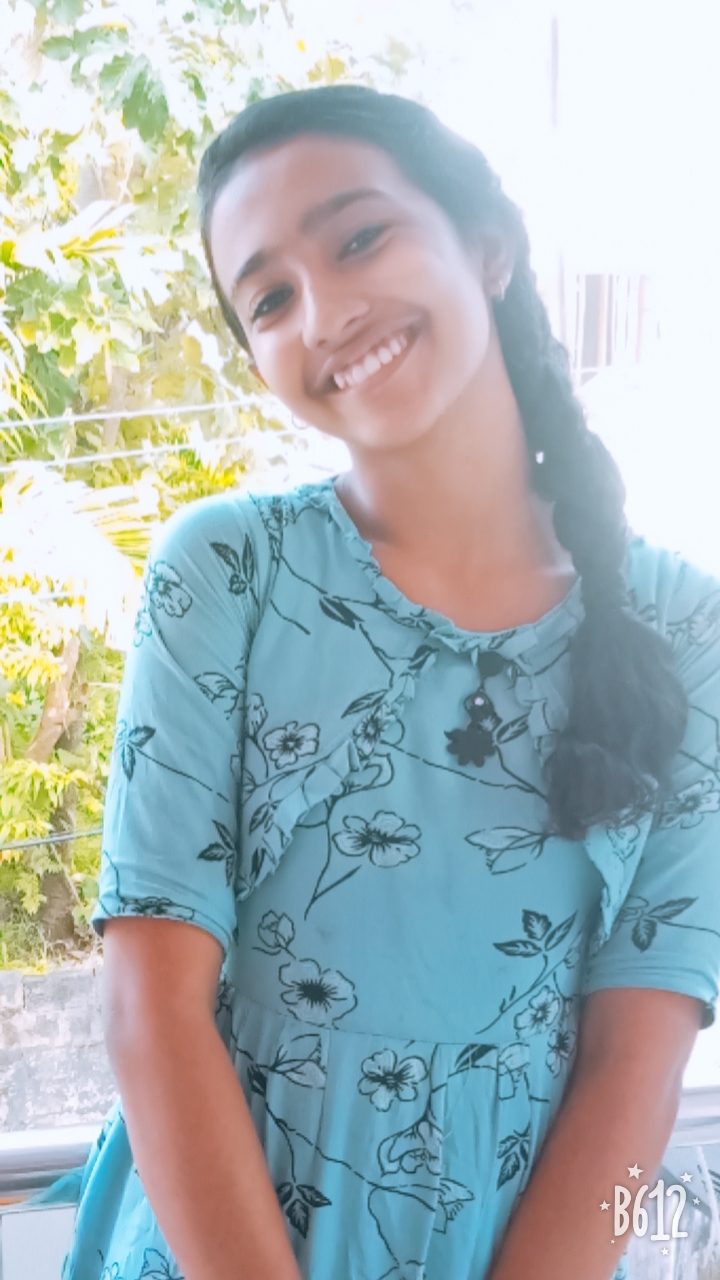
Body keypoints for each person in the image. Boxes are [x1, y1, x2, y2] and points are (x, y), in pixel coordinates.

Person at [61, 85, 720, 1280]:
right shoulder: (229, 570)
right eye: (270, 297)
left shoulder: (685, 625)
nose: (325, 312)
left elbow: (642, 1058)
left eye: (360, 237)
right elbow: (148, 1008)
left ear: (489, 245)